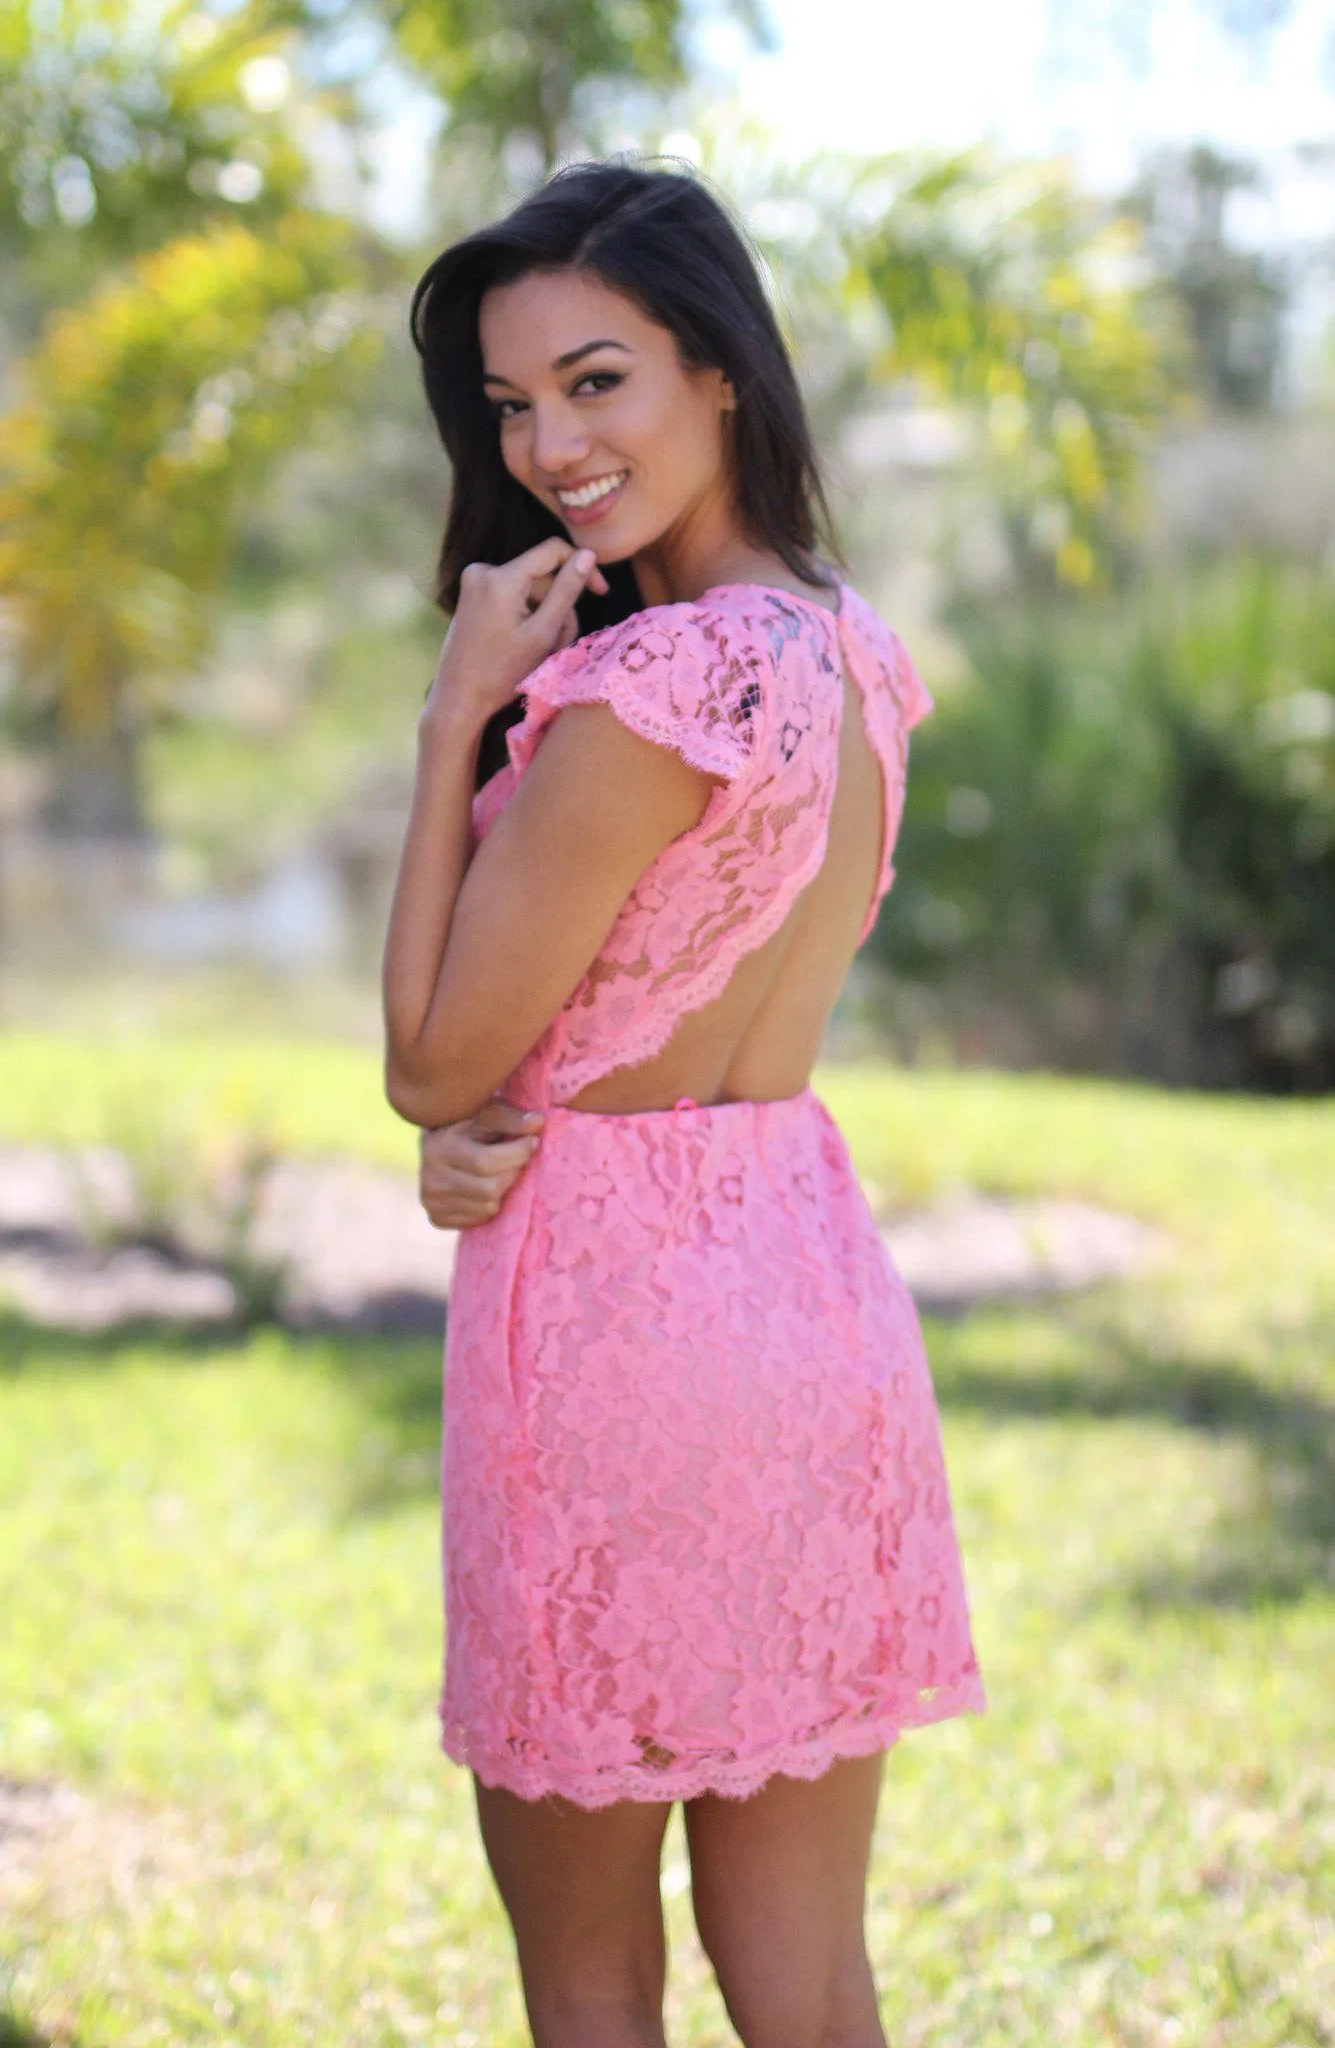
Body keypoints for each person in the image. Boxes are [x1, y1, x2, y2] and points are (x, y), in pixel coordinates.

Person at [381, 158, 985, 2048]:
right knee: (807, 1974)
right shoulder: (850, 646)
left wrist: (450, 719)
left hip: (614, 1343)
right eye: (511, 406)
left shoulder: (648, 687)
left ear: (721, 368)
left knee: (591, 1980)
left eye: (598, 379)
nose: (551, 443)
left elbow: (433, 1059)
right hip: (812, 1300)